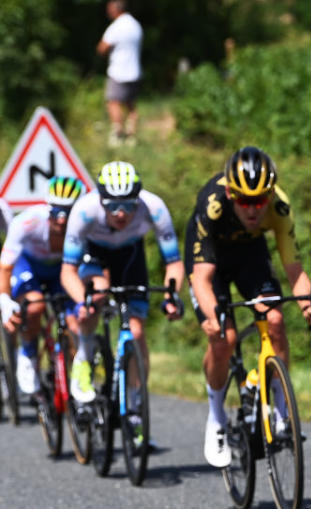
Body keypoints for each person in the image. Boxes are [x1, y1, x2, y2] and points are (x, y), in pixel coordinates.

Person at [185, 146, 311, 468]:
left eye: (259, 201)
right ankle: (217, 418)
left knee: (275, 319)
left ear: (270, 194)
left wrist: (309, 307)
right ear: (231, 194)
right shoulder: (213, 205)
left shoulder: (279, 206)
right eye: (245, 202)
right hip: (211, 261)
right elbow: (201, 280)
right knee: (224, 338)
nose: (252, 210)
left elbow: (296, 272)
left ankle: (280, 411)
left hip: (250, 256)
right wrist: (213, 316)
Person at [61, 161, 183, 407]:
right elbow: (67, 272)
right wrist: (82, 302)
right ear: (100, 200)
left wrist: (172, 296)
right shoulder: (84, 211)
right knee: (96, 295)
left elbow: (174, 263)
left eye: (128, 205)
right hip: (94, 255)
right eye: (113, 205)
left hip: (130, 256)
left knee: (136, 331)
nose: (121, 213)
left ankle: (136, 403)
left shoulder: (154, 208)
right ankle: (83, 360)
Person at [0, 177, 85, 394]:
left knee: (76, 322)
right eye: (57, 212)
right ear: (48, 208)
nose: (63, 220)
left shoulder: (85, 227)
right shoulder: (27, 223)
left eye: (69, 212)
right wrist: (4, 300)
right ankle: (28, 352)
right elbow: (6, 266)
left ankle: (77, 371)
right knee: (35, 305)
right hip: (28, 266)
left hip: (62, 271)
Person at [96, 0, 142, 148]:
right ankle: (131, 135)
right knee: (131, 105)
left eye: (109, 9)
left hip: (118, 71)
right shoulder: (136, 25)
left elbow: (102, 48)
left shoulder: (116, 27)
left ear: (116, 10)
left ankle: (117, 133)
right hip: (134, 71)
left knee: (113, 102)